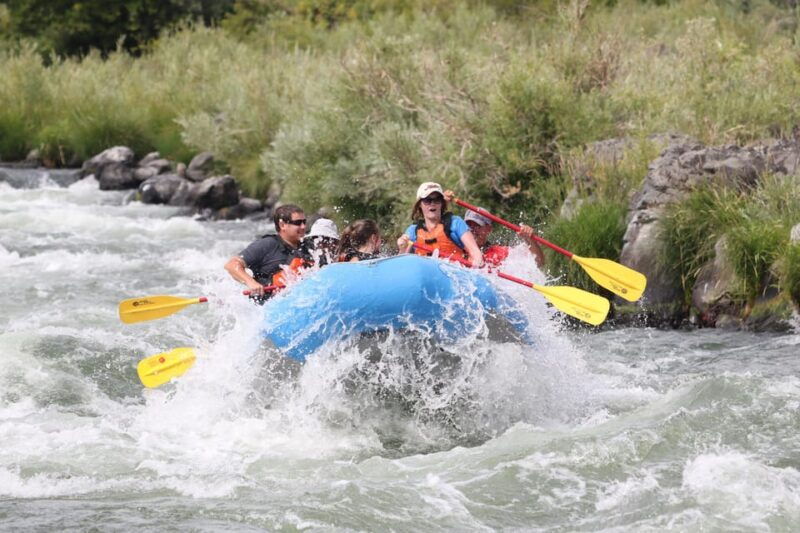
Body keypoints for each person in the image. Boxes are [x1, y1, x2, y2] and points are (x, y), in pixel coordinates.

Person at [224, 204, 307, 296]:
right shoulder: (267, 244)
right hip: (267, 304)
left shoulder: (308, 247)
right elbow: (231, 265)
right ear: (282, 225)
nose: (303, 226)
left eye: (304, 222)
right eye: (298, 223)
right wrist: (250, 282)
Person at [396, 182, 483, 266]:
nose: (432, 203)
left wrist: (477, 264)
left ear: (442, 203)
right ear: (420, 204)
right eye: (427, 200)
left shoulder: (455, 223)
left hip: (455, 276)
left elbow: (475, 251)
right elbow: (401, 264)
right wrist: (402, 249)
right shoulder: (412, 231)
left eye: (437, 200)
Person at [463, 208, 546, 268]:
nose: (472, 230)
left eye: (477, 226)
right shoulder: (456, 247)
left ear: (488, 229)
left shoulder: (499, 253)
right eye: (468, 225)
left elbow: (538, 262)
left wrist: (529, 239)